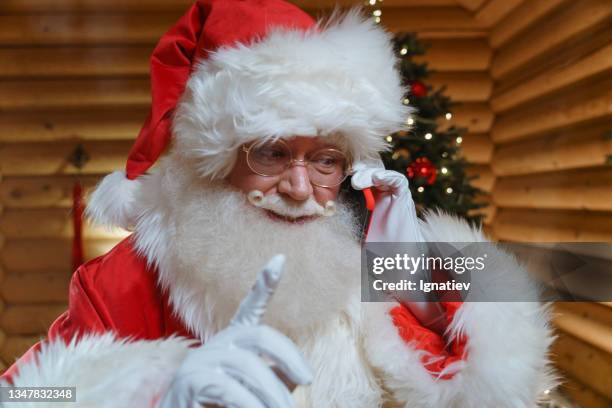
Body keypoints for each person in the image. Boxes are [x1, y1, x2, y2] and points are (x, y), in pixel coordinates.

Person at [0, 1, 556, 407]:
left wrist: (410, 283)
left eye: (325, 160)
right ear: (218, 158)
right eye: (272, 153)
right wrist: (154, 388)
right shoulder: (122, 281)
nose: (298, 187)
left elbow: (501, 387)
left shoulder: (374, 251)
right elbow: (27, 393)